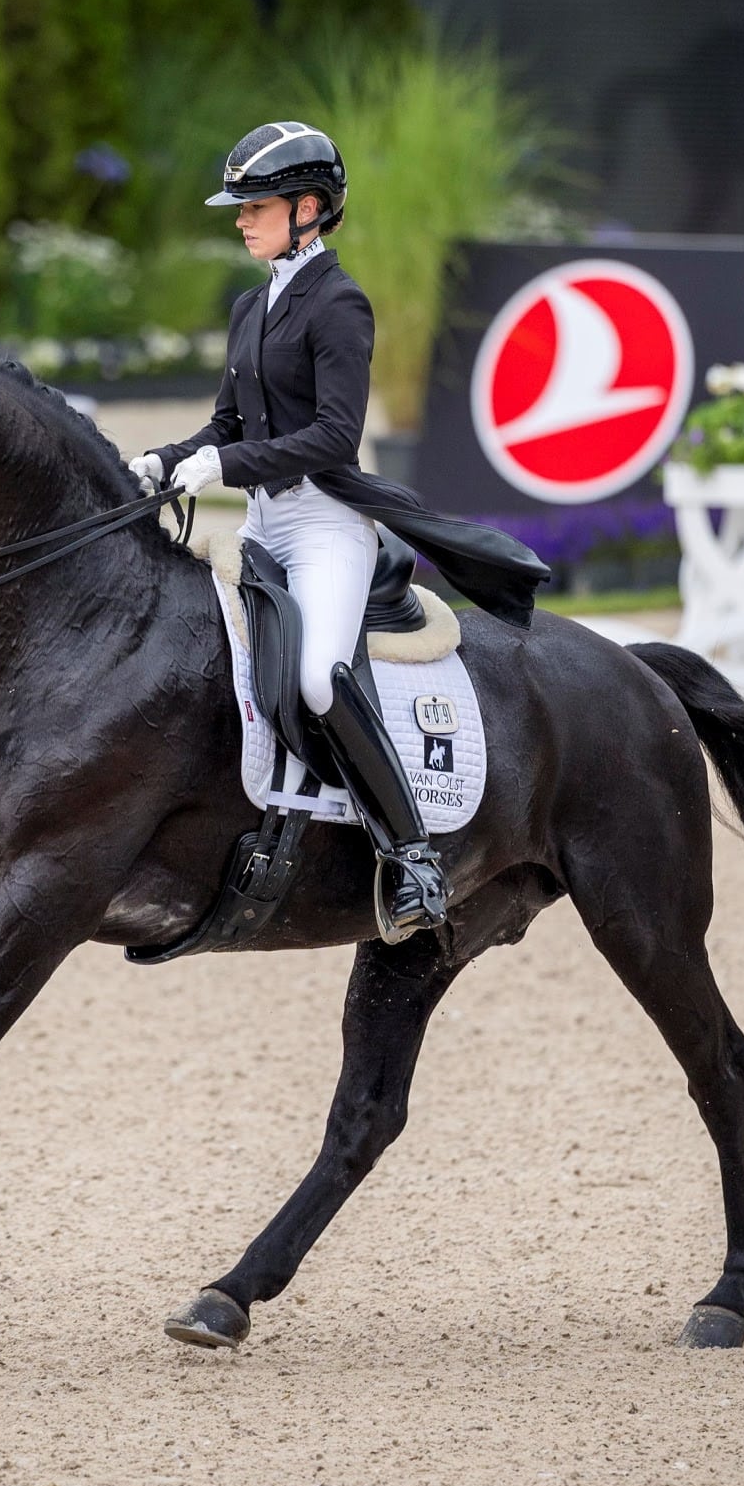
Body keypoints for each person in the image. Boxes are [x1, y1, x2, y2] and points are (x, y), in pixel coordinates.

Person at [131, 121, 551, 940]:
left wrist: (226, 467)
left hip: (324, 525)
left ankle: (412, 855)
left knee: (321, 677)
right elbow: (225, 422)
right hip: (262, 522)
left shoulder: (339, 302)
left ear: (311, 209)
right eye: (240, 206)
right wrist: (162, 459)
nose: (241, 219)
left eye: (256, 206)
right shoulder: (252, 305)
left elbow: (333, 435)